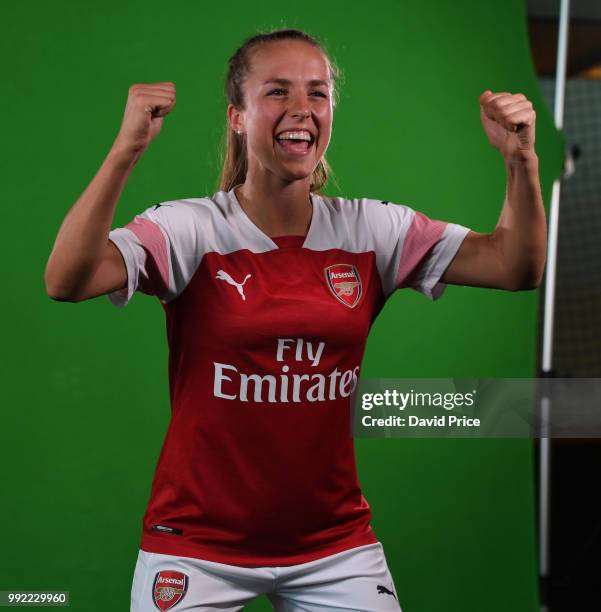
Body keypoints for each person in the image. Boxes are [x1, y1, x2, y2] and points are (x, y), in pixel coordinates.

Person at [44, 27, 546, 612]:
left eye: (318, 93)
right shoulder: (189, 229)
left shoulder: (372, 229)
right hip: (196, 549)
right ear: (237, 116)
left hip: (335, 549)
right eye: (278, 92)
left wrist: (522, 162)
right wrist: (126, 149)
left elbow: (515, 266)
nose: (302, 110)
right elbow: (67, 280)